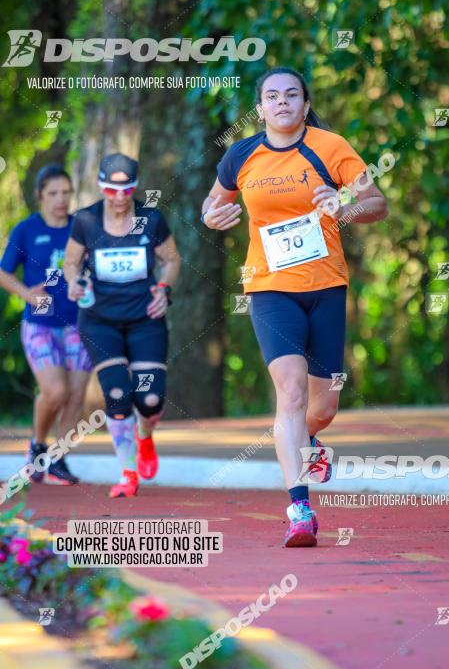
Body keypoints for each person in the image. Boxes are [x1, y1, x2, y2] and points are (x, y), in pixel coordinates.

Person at [201, 67, 388, 547]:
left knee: (321, 407)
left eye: (291, 95)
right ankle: (299, 508)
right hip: (268, 288)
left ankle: (311, 439)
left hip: (326, 285)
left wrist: (343, 204)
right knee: (290, 393)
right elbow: (212, 205)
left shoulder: (331, 147)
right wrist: (214, 216)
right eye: (271, 96)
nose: (282, 103)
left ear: (305, 105)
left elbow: (377, 203)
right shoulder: (240, 155)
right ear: (260, 108)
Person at [63, 152, 180, 498]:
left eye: (126, 190)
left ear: (134, 188)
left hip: (145, 319)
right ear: (101, 187)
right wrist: (73, 282)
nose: (118, 198)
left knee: (150, 399)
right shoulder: (86, 220)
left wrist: (164, 288)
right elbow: (71, 262)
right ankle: (128, 473)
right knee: (116, 393)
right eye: (111, 190)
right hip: (99, 321)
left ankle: (145, 436)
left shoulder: (150, 218)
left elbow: (171, 259)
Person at [0, 164, 92, 485]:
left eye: (66, 193)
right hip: (39, 324)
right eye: (53, 193)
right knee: (56, 391)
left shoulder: (81, 227)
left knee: (77, 397)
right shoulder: (26, 230)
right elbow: (3, 272)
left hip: (78, 323)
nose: (60, 200)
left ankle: (57, 460)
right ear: (40, 195)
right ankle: (37, 446)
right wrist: (26, 294)